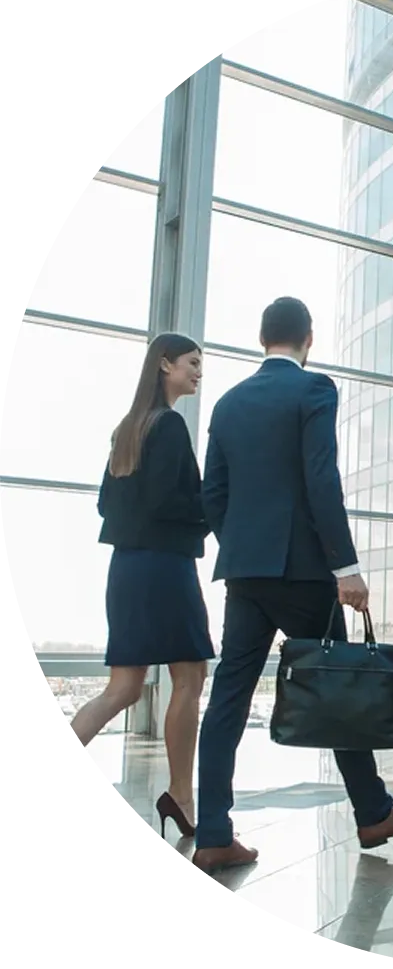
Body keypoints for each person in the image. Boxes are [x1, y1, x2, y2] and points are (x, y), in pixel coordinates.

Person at [192, 297, 393, 873]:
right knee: (337, 683)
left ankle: (212, 833)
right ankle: (375, 811)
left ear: (262, 338)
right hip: (305, 571)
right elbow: (320, 477)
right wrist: (344, 566)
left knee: (228, 698)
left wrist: (244, 545)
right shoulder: (314, 390)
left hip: (245, 571)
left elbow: (214, 495)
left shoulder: (229, 403)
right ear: (309, 337)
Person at [71, 333, 213, 839]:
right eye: (193, 363)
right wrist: (210, 508)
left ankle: (179, 793)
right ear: (164, 364)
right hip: (165, 568)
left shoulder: (128, 428)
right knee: (189, 677)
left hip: (127, 569)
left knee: (124, 687)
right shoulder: (170, 426)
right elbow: (166, 504)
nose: (199, 371)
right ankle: (181, 793)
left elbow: (107, 505)